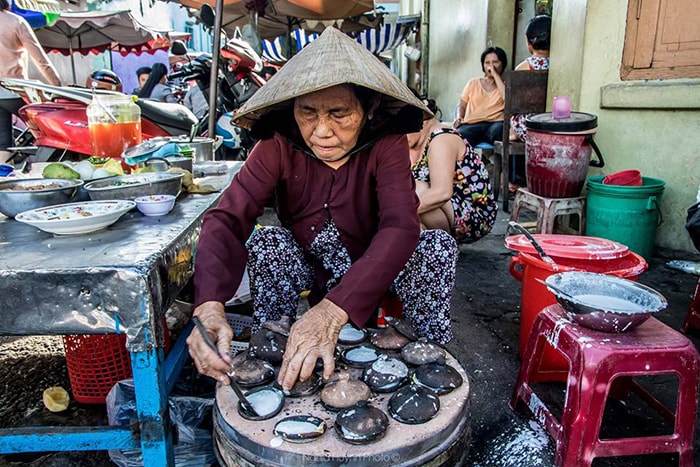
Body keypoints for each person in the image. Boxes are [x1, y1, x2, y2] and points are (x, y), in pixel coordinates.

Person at [186, 27, 459, 392]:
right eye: (308, 112)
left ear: (367, 109)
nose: (322, 130)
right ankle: (274, 357)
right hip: (311, 265)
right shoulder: (279, 144)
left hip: (375, 266)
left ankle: (428, 367)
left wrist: (333, 311)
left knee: (437, 247)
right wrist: (209, 305)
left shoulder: (387, 142)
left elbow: (399, 225)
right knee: (268, 244)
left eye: (339, 113)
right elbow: (228, 217)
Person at [407, 91, 498, 244]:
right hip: (449, 210)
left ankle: (444, 244)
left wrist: (394, 212)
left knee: (415, 189)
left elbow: (441, 193)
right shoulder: (413, 142)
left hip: (474, 214)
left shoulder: (442, 139)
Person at [0, 0, 62, 163]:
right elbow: (41, 61)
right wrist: (58, 88)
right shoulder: (15, 22)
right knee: (48, 135)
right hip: (15, 90)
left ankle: (4, 181)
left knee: (2, 144)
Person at [452, 46, 507, 146]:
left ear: (503, 64)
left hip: (495, 124)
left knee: (500, 133)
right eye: (487, 63)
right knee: (457, 137)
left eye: (495, 62)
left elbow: (508, 101)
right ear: (483, 65)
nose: (491, 66)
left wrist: (495, 75)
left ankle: (492, 159)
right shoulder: (473, 83)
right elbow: (462, 105)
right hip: (472, 124)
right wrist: (459, 117)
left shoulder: (505, 85)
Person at [510, 15, 552, 142]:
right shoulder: (559, 64)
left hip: (528, 127)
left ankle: (513, 134)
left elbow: (513, 105)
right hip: (552, 123)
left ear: (529, 43)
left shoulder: (522, 68)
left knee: (514, 117)